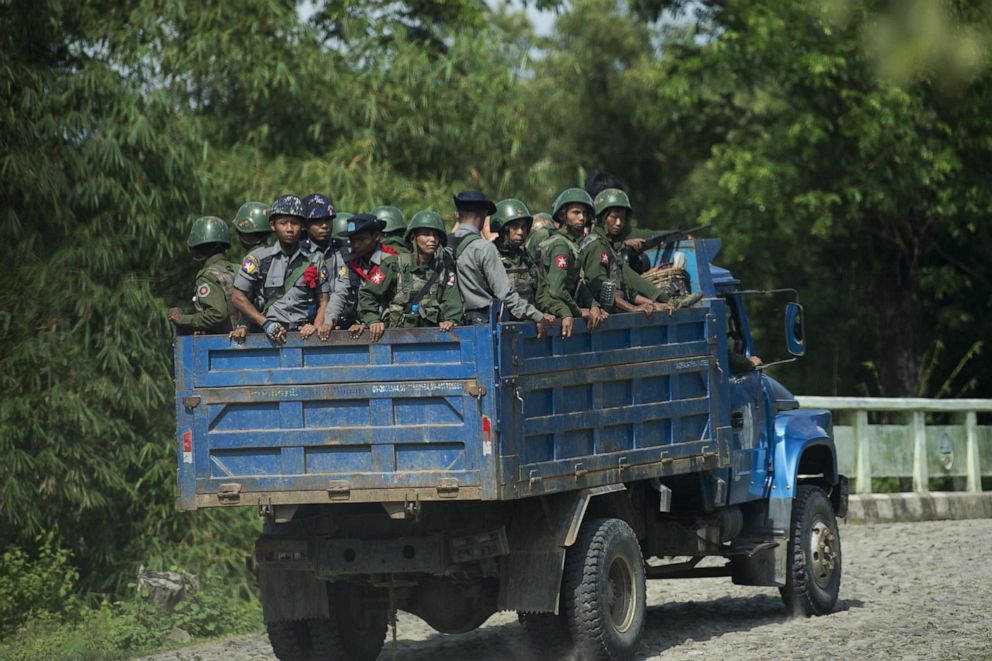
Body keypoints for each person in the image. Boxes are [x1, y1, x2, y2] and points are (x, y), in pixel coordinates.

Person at [449, 191, 552, 337]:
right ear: (484, 216)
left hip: (458, 326)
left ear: (457, 214)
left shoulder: (443, 245)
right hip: (486, 326)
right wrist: (537, 316)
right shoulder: (485, 248)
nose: (520, 232)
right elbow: (505, 294)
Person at [230, 195, 330, 343]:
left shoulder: (315, 260)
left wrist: (315, 328)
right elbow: (237, 297)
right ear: (273, 225)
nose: (289, 229)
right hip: (267, 336)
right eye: (283, 223)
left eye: (295, 223)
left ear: (302, 226)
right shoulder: (258, 259)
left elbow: (323, 302)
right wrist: (266, 323)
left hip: (304, 335)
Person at [356, 211, 463, 342]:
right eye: (426, 234)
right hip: (395, 338)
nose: (432, 239)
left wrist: (450, 321)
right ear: (413, 237)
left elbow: (452, 302)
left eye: (436, 235)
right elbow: (367, 294)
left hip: (432, 339)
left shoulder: (444, 269)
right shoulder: (394, 265)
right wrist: (373, 320)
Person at [534, 187, 608, 337]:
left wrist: (593, 305)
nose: (582, 218)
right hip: (553, 310)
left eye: (585, 213)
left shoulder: (569, 243)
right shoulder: (560, 246)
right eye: (576, 212)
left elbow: (577, 281)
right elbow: (556, 290)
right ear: (563, 216)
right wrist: (579, 311)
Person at [490, 198, 557, 332]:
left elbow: (541, 291)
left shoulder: (526, 257)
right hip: (502, 329)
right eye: (515, 227)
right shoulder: (491, 254)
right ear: (503, 229)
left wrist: (547, 310)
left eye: (523, 227)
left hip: (530, 325)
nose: (520, 232)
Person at [167, 216, 238, 334]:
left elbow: (217, 314)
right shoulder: (239, 269)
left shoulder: (207, 276)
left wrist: (183, 319)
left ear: (195, 249)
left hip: (222, 345)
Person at [336, 213, 399, 336]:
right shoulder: (349, 261)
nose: (356, 245)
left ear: (376, 236)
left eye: (361, 239)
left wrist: (372, 320)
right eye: (352, 241)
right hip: (357, 324)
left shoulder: (392, 260)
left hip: (386, 325)